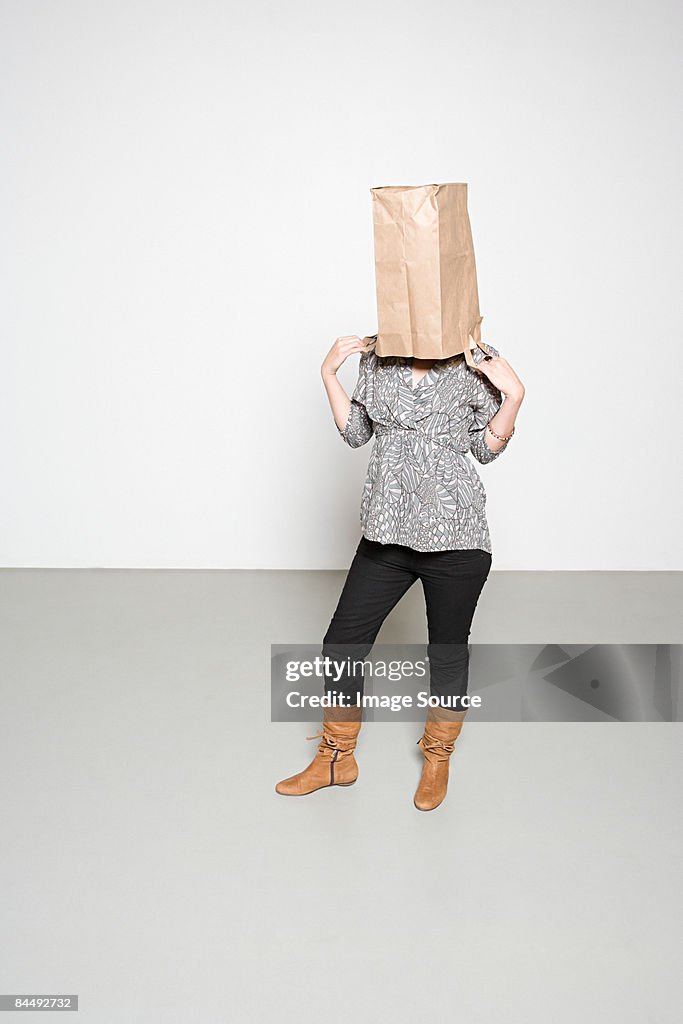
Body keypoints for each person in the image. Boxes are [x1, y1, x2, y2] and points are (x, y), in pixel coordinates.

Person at [275, 333, 525, 810]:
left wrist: (513, 396)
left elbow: (487, 450)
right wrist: (329, 373)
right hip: (386, 533)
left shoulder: (475, 359)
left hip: (456, 537)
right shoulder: (377, 356)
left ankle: (438, 756)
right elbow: (355, 434)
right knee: (342, 643)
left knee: (447, 651)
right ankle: (336, 759)